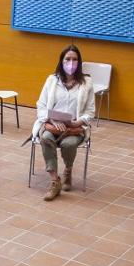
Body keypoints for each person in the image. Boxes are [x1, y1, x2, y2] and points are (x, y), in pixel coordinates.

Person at [31, 45, 95, 201]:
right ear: (61, 61)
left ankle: (68, 169)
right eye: (68, 59)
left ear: (79, 62)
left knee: (68, 144)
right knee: (45, 138)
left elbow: (90, 111)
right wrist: (52, 119)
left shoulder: (86, 82)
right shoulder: (52, 80)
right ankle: (55, 181)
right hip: (52, 125)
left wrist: (77, 122)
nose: (71, 63)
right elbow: (41, 105)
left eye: (74, 59)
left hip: (74, 128)